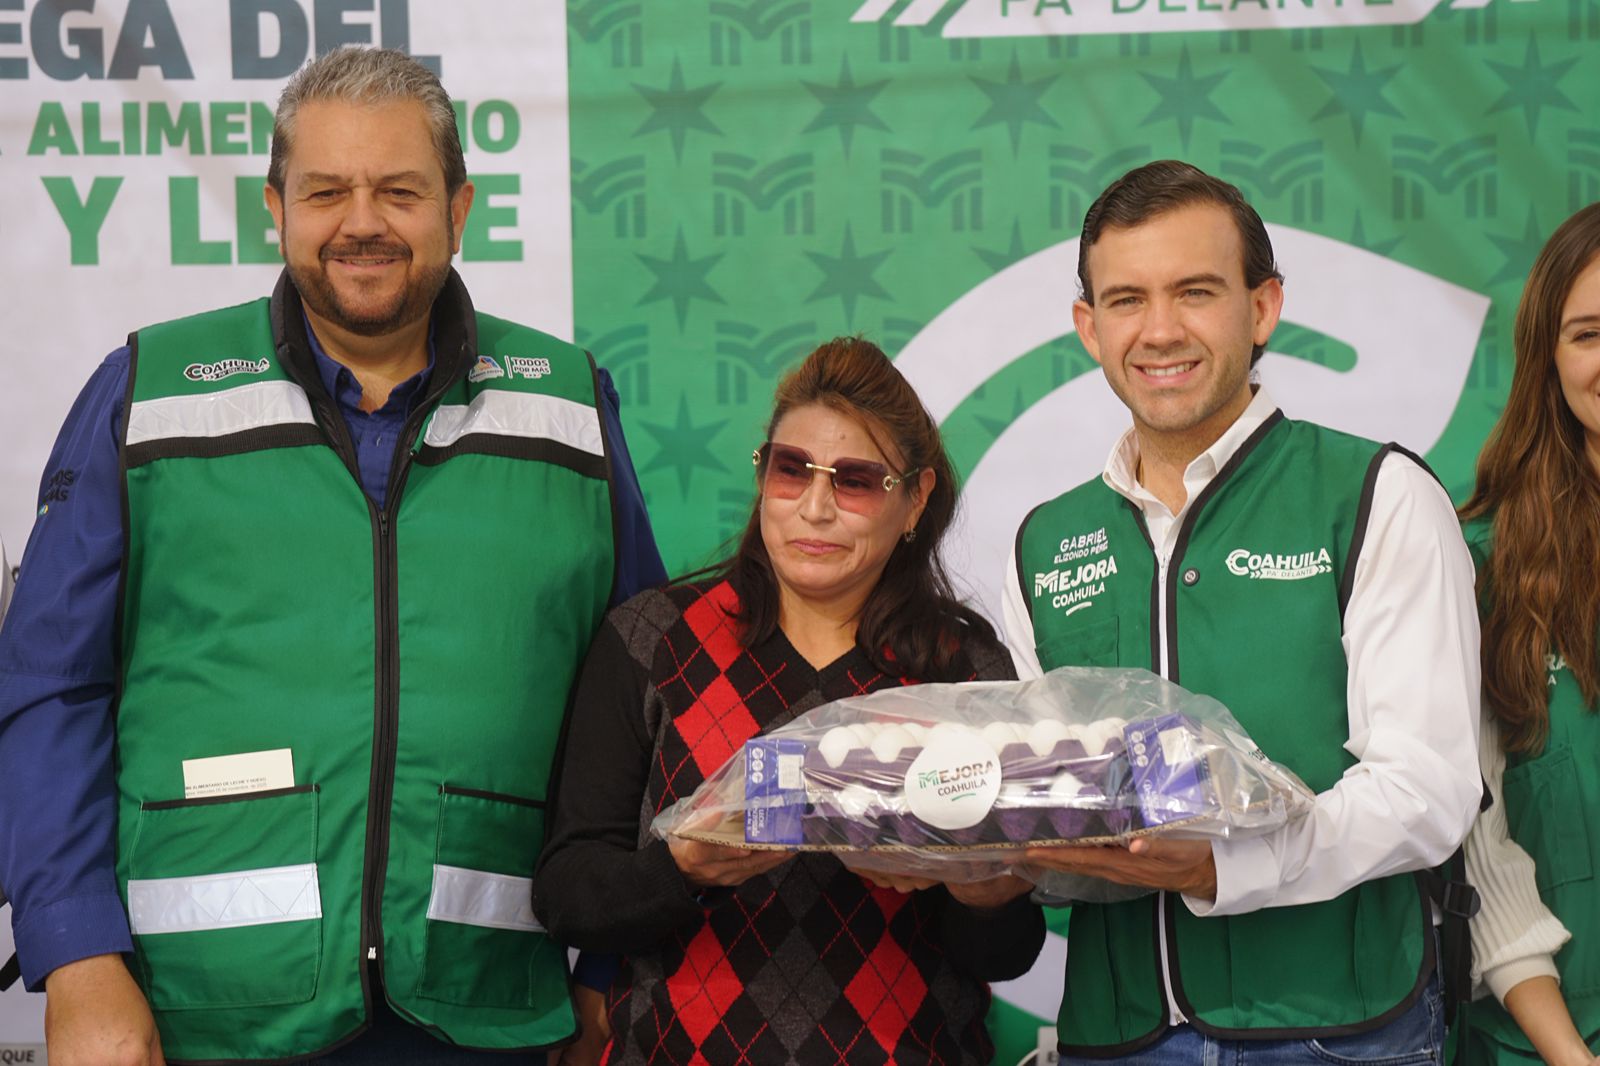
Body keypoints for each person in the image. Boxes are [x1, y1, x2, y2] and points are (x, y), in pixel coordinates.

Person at [0, 46, 665, 1065]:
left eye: (400, 190)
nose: (363, 222)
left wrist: (611, 965)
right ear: (275, 207)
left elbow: (650, 702)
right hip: (195, 1019)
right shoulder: (149, 394)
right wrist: (77, 955)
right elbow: (50, 686)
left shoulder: (567, 408)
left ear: (459, 209)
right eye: (325, 192)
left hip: (490, 1015)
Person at [1001, 160, 1483, 1062]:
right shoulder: (1044, 541)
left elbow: (1429, 790)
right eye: (1127, 300)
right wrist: (959, 852)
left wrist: (1227, 865)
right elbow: (1048, 799)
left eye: (1196, 291)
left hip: (1336, 1031)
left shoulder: (1375, 493)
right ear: (1089, 327)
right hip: (1118, 1035)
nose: (1160, 330)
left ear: (1262, 308)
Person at [532, 337, 1045, 1065]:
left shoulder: (966, 673)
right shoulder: (652, 640)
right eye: (790, 469)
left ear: (915, 498)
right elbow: (567, 894)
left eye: (856, 481)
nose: (815, 507)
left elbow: (1006, 954)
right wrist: (684, 870)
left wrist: (977, 886)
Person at [1456, 202, 1600, 1066]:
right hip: (1546, 1046)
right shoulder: (1479, 568)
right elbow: (1480, 853)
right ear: (1549, 358)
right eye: (1590, 334)